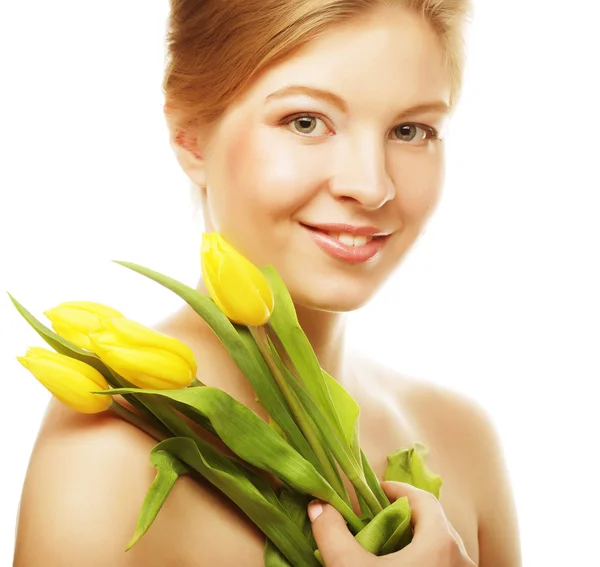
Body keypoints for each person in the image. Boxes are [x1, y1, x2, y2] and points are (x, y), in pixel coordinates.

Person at [13, 1, 522, 565]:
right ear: (190, 137)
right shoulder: (102, 461)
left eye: (411, 129)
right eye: (305, 122)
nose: (371, 185)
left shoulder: (462, 438)